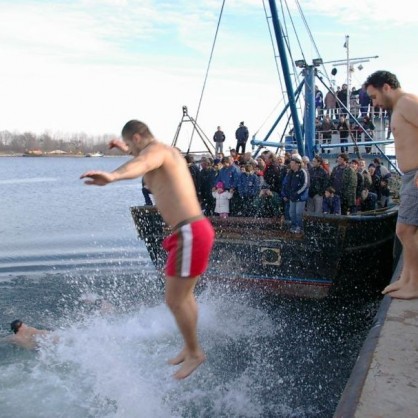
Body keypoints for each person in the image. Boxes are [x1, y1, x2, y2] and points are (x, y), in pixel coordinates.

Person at [80, 120, 215, 378]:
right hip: (194, 230)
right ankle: (190, 347)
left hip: (190, 232)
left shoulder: (156, 152)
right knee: (185, 297)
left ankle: (195, 351)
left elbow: (142, 162)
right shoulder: (167, 151)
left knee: (174, 300)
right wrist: (125, 147)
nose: (130, 151)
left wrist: (113, 176)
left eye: (131, 145)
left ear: (139, 137)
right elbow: (140, 156)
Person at [365, 70, 418, 299]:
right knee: (404, 231)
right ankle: (406, 279)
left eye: (374, 97)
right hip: (409, 176)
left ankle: (414, 285)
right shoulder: (400, 108)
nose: (374, 104)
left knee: (406, 230)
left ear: (386, 87)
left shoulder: (406, 103)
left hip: (416, 174)